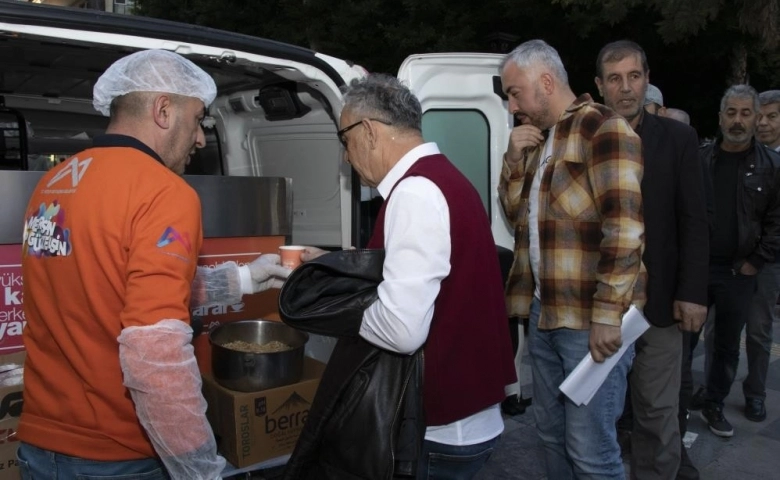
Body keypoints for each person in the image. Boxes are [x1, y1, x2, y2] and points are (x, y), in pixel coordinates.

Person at [18, 49, 290, 480]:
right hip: (118, 454)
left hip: (40, 447)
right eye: (199, 119)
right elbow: (153, 350)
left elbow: (102, 286)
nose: (200, 138)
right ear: (164, 110)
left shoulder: (54, 183)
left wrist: (238, 279)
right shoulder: (164, 191)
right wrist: (199, 467)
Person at [301, 74, 516, 479]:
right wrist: (338, 265)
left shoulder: (414, 192)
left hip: (440, 429)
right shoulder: (444, 178)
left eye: (343, 140)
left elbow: (401, 330)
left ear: (367, 131)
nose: (345, 156)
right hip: (468, 417)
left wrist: (337, 309)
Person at [499, 39, 646, 479]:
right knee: (550, 437)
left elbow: (625, 230)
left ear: (546, 82)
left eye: (514, 92)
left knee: (591, 452)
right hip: (545, 315)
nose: (512, 105)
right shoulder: (544, 142)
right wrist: (512, 159)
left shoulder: (604, 128)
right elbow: (514, 218)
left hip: (589, 322)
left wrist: (607, 315)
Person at [594, 40, 709, 480]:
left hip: (659, 306)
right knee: (596, 416)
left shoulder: (679, 139)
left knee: (658, 416)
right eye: (615, 79)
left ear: (646, 79)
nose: (626, 88)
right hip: (601, 307)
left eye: (634, 76)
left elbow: (694, 221)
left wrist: (692, 294)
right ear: (601, 86)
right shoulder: (586, 136)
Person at [697, 84, 780, 437]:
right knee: (684, 342)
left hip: (739, 271)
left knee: (730, 344)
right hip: (696, 269)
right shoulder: (699, 158)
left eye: (746, 113)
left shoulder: (772, 166)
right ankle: (681, 401)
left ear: (756, 118)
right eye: (731, 113)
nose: (738, 120)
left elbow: (778, 221)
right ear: (720, 117)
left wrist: (755, 262)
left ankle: (715, 404)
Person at [739, 89, 780, 423]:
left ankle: (755, 393)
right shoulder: (738, 154)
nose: (764, 123)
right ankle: (713, 387)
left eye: (772, 116)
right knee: (716, 329)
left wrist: (757, 259)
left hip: (766, 263)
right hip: (729, 261)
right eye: (760, 116)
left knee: (758, 330)